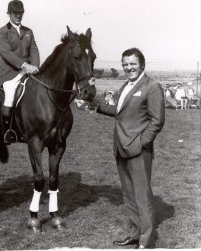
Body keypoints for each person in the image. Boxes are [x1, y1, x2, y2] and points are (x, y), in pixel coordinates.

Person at [97, 48, 165, 249]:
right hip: (120, 149)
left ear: (142, 64)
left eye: (132, 63)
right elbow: (119, 112)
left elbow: (157, 121)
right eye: (125, 64)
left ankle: (146, 240)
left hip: (138, 151)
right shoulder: (125, 86)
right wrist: (96, 104)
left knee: (142, 196)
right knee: (129, 196)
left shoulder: (152, 86)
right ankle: (135, 234)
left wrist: (141, 143)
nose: (128, 67)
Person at [0, 0, 40, 143]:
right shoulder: (2, 32)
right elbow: (7, 54)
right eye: (15, 13)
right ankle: (7, 130)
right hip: (10, 72)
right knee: (10, 93)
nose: (18, 16)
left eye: (21, 13)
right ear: (9, 14)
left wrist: (35, 66)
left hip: (28, 71)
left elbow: (34, 50)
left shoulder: (28, 31)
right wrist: (25, 65)